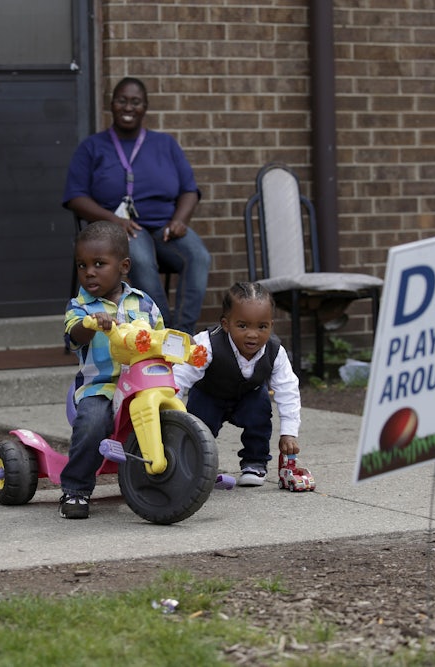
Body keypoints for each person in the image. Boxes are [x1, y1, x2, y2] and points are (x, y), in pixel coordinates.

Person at [62, 76, 210, 334]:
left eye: (136, 102)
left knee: (198, 256)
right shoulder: (92, 147)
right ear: (112, 104)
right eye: (122, 100)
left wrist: (180, 221)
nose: (128, 107)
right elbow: (75, 196)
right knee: (139, 259)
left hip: (165, 226)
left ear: (145, 107)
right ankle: (162, 332)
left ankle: (183, 333)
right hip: (121, 228)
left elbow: (189, 190)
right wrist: (113, 219)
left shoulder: (165, 144)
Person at [60, 220, 164, 518]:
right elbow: (73, 336)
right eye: (82, 265)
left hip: (145, 385)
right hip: (102, 387)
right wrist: (90, 325)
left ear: (124, 266)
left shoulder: (144, 304)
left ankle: (181, 470)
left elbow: (160, 336)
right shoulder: (80, 307)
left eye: (99, 264)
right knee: (92, 422)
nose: (89, 272)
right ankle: (76, 489)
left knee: (178, 411)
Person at [173, 282, 305, 487]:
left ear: (271, 324)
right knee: (198, 427)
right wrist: (171, 405)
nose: (253, 334)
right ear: (226, 324)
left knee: (260, 414)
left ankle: (255, 462)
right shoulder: (206, 344)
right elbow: (181, 376)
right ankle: (193, 463)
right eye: (243, 326)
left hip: (248, 396)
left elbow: (288, 389)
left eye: (262, 326)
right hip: (209, 395)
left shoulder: (275, 351)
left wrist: (289, 432)